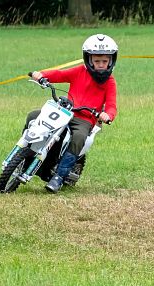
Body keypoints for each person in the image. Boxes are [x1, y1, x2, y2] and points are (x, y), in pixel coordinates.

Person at [26, 33, 118, 193]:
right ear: (89, 60)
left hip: (85, 120)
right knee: (33, 116)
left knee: (79, 137)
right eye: (97, 61)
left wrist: (107, 115)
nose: (101, 64)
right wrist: (41, 74)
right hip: (65, 111)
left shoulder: (110, 82)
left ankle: (59, 177)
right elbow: (59, 75)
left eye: (105, 61)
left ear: (111, 60)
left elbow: (111, 105)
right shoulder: (79, 72)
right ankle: (25, 154)